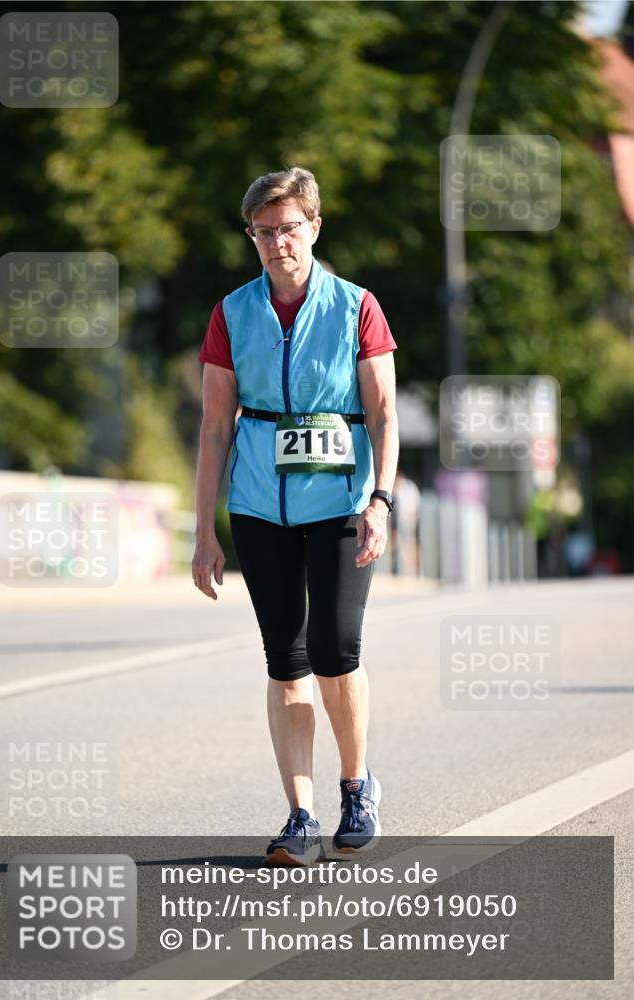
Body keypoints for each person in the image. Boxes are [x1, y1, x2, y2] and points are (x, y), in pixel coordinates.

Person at [193, 167, 399, 865]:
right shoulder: (232, 312)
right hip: (258, 503)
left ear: (313, 227)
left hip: (342, 502)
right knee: (286, 660)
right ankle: (300, 815)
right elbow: (214, 428)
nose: (278, 241)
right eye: (264, 230)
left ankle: (356, 785)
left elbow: (382, 412)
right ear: (249, 236)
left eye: (289, 227)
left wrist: (381, 500)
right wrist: (202, 535)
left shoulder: (355, 306)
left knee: (337, 652)